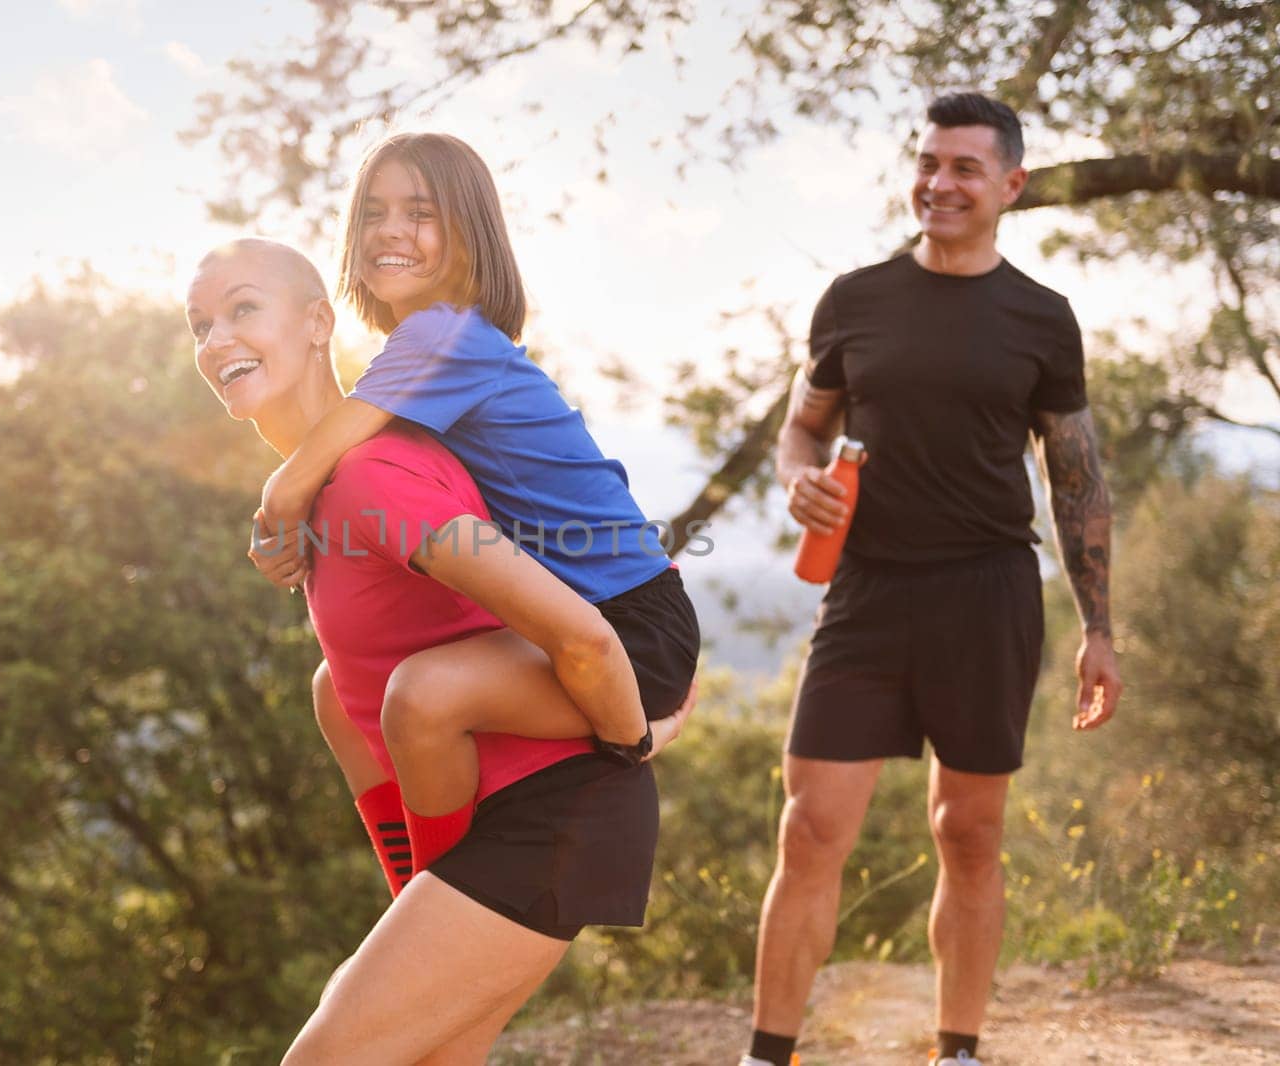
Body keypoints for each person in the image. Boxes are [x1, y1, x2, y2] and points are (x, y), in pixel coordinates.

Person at [188, 237, 694, 1063]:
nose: (215, 341)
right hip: (485, 852)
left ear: (320, 322)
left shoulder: (372, 476)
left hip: (548, 822)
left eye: (243, 309)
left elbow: (583, 628)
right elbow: (375, 753)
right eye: (200, 325)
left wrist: (652, 722)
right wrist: (414, 909)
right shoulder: (319, 508)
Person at [741, 93, 1123, 1066]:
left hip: (987, 592)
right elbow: (802, 425)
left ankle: (955, 1048)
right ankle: (764, 1055)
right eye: (927, 162)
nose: (938, 183)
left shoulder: (1042, 318)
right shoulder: (855, 298)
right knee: (813, 825)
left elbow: (1073, 475)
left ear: (1009, 184)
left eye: (962, 167)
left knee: (967, 831)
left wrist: (1099, 628)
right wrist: (797, 480)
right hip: (865, 591)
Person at [249, 132, 701, 870]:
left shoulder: (444, 336)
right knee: (339, 686)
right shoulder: (429, 348)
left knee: (422, 695)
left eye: (420, 212)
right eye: (373, 212)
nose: (391, 229)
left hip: (629, 629)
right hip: (587, 610)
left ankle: (440, 897)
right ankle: (414, 885)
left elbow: (294, 479)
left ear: (470, 235)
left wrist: (283, 536)